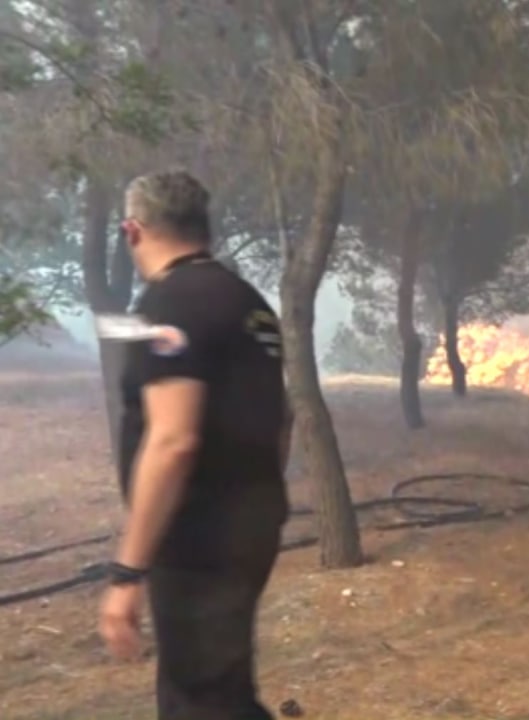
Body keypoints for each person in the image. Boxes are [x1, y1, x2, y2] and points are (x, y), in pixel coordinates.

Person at [97, 169, 290, 720]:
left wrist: (127, 572)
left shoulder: (170, 306)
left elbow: (173, 440)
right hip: (251, 522)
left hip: (199, 536)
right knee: (217, 692)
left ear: (133, 231)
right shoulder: (250, 304)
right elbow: (283, 419)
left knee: (202, 702)